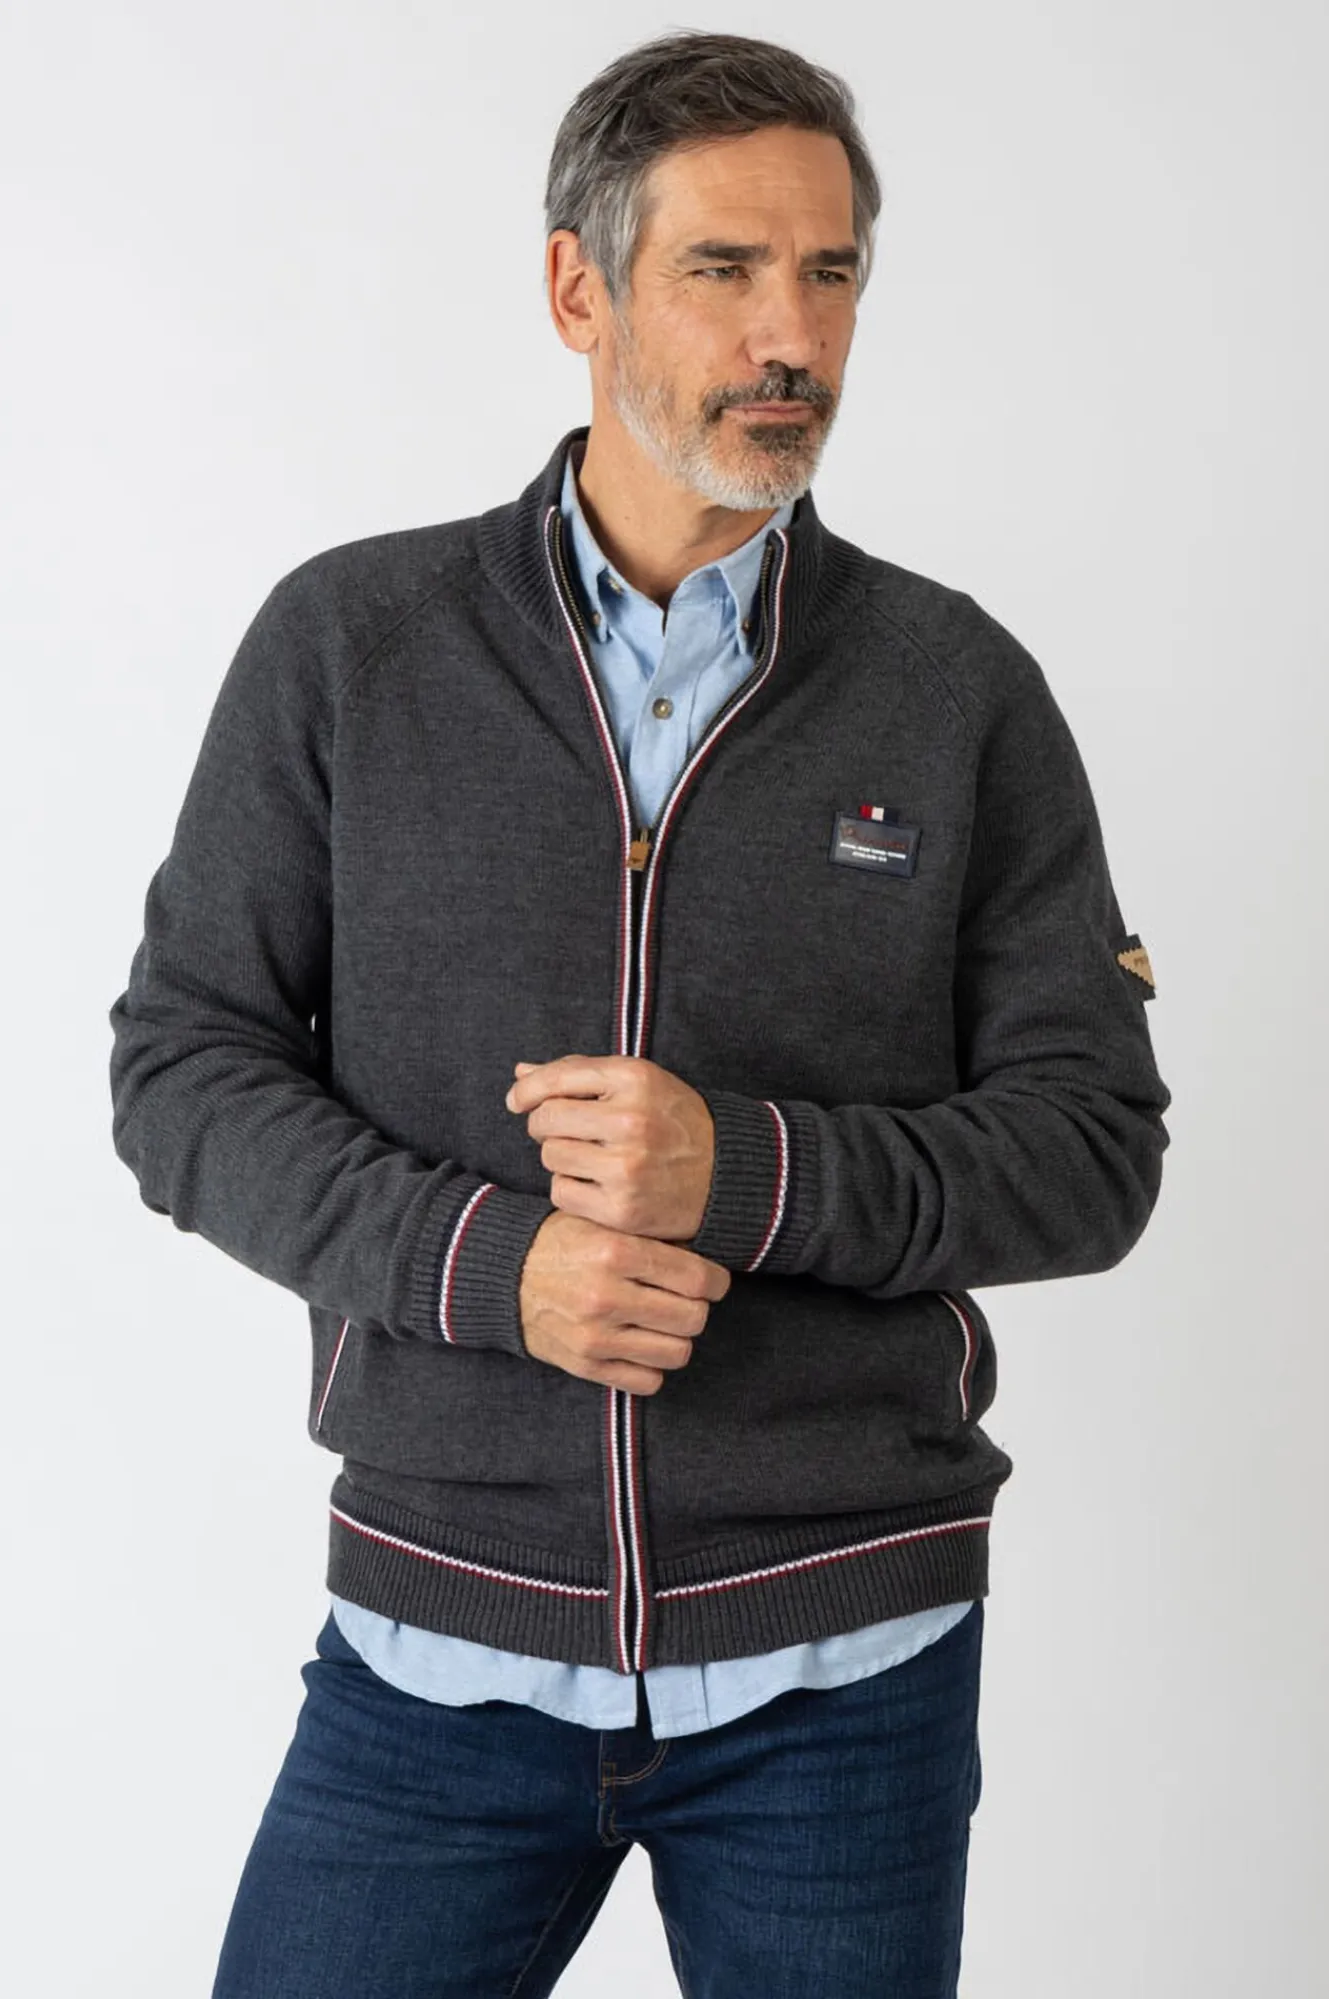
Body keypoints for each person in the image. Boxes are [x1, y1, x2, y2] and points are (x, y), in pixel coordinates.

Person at [106, 28, 1170, 1999]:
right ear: (576, 290)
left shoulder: (956, 693)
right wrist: (489, 1268)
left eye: (831, 273)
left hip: (845, 1674)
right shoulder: (355, 650)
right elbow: (185, 1070)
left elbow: (1092, 1148)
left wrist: (738, 1173)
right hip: (434, 1660)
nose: (793, 336)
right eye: (725, 269)